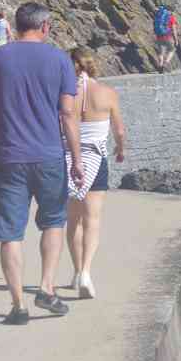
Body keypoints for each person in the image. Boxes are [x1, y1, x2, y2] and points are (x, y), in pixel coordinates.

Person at [0, 2, 84, 325]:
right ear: (45, 26)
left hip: (9, 157)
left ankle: (18, 306)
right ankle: (46, 288)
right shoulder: (59, 59)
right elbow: (68, 114)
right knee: (53, 222)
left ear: (16, 24)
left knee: (10, 232)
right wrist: (77, 159)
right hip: (49, 155)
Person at [65, 47, 125, 300]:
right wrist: (120, 150)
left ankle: (77, 270)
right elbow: (119, 131)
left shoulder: (64, 93)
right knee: (92, 218)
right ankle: (86, 272)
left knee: (73, 219)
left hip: (68, 158)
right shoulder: (107, 93)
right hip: (96, 159)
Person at [153, 4, 178, 73]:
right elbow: (174, 29)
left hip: (159, 36)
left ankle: (160, 66)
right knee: (172, 49)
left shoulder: (159, 15)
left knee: (161, 52)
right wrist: (176, 39)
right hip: (168, 36)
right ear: (171, 11)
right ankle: (166, 63)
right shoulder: (171, 17)